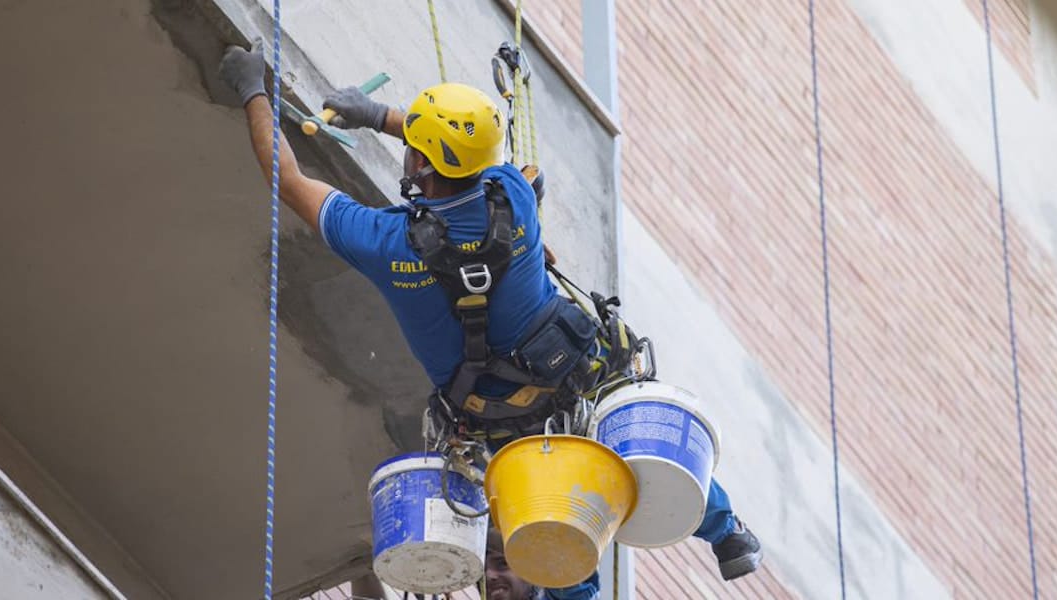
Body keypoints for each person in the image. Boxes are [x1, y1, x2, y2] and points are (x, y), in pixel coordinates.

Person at [216, 41, 761, 585]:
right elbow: (465, 158)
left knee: (561, 534)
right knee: (629, 451)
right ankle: (728, 532)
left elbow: (287, 179)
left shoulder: (386, 243)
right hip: (575, 371)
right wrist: (381, 117)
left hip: (500, 416)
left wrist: (252, 88)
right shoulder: (513, 193)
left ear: (422, 160)